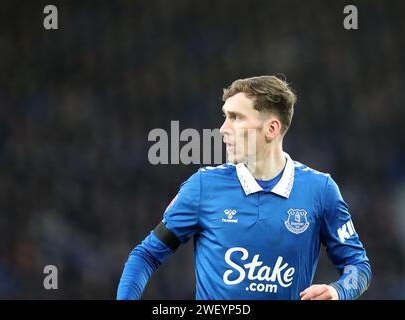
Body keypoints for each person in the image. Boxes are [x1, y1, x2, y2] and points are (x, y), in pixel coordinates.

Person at [117, 75, 371, 300]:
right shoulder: (204, 186)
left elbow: (357, 265)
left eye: (236, 118)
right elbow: (146, 256)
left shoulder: (320, 190)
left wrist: (338, 291)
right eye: (225, 117)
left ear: (271, 128)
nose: (223, 129)